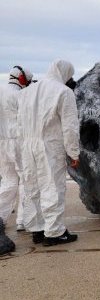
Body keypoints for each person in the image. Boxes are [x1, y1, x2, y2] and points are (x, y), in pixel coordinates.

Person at [17, 59, 80, 246]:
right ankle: (54, 232)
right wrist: (74, 153)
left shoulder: (26, 92)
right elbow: (70, 127)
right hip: (49, 145)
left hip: (28, 145)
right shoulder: (64, 92)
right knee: (52, 187)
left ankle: (37, 229)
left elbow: (19, 123)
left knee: (32, 187)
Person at [0, 66, 33, 230]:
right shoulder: (22, 95)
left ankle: (1, 218)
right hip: (18, 141)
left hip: (1, 143)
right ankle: (23, 220)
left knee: (8, 181)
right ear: (22, 79)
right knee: (25, 180)